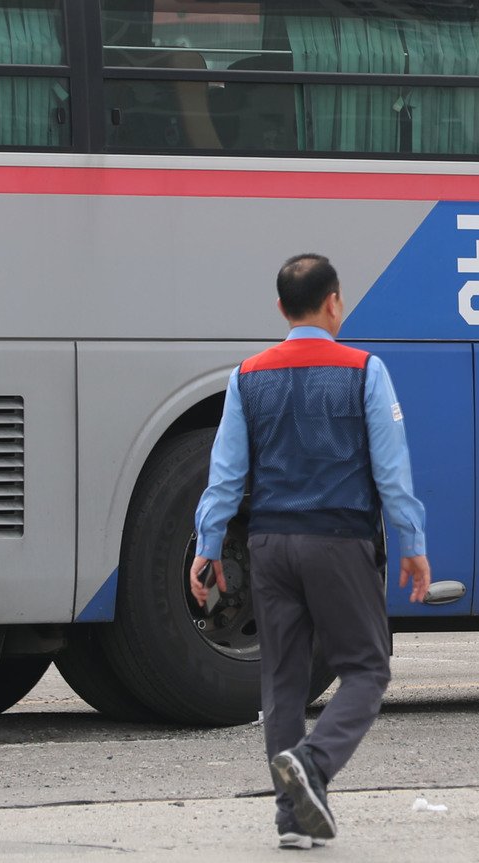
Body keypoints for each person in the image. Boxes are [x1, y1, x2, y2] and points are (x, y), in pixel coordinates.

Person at [189, 253, 431, 849]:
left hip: (268, 544)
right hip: (339, 540)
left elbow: (224, 474)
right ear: (335, 302)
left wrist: (208, 544)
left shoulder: (247, 375)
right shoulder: (363, 370)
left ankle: (293, 818)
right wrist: (413, 540)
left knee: (283, 681)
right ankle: (315, 766)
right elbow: (392, 470)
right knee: (368, 669)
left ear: (280, 309)